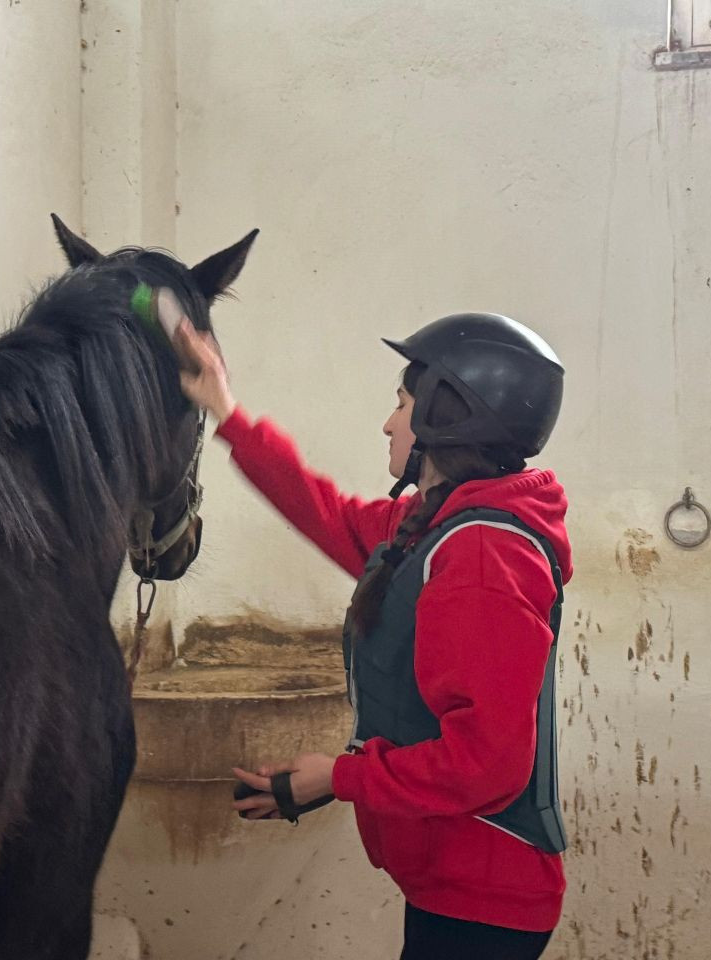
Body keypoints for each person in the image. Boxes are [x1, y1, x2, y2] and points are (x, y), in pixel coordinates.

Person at [175, 310, 573, 960]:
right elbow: (322, 509)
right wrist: (225, 407)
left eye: (401, 403)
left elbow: (487, 764)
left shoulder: (479, 556)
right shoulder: (432, 529)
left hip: (485, 898)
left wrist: (337, 778)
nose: (389, 421)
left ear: (445, 416)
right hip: (455, 885)